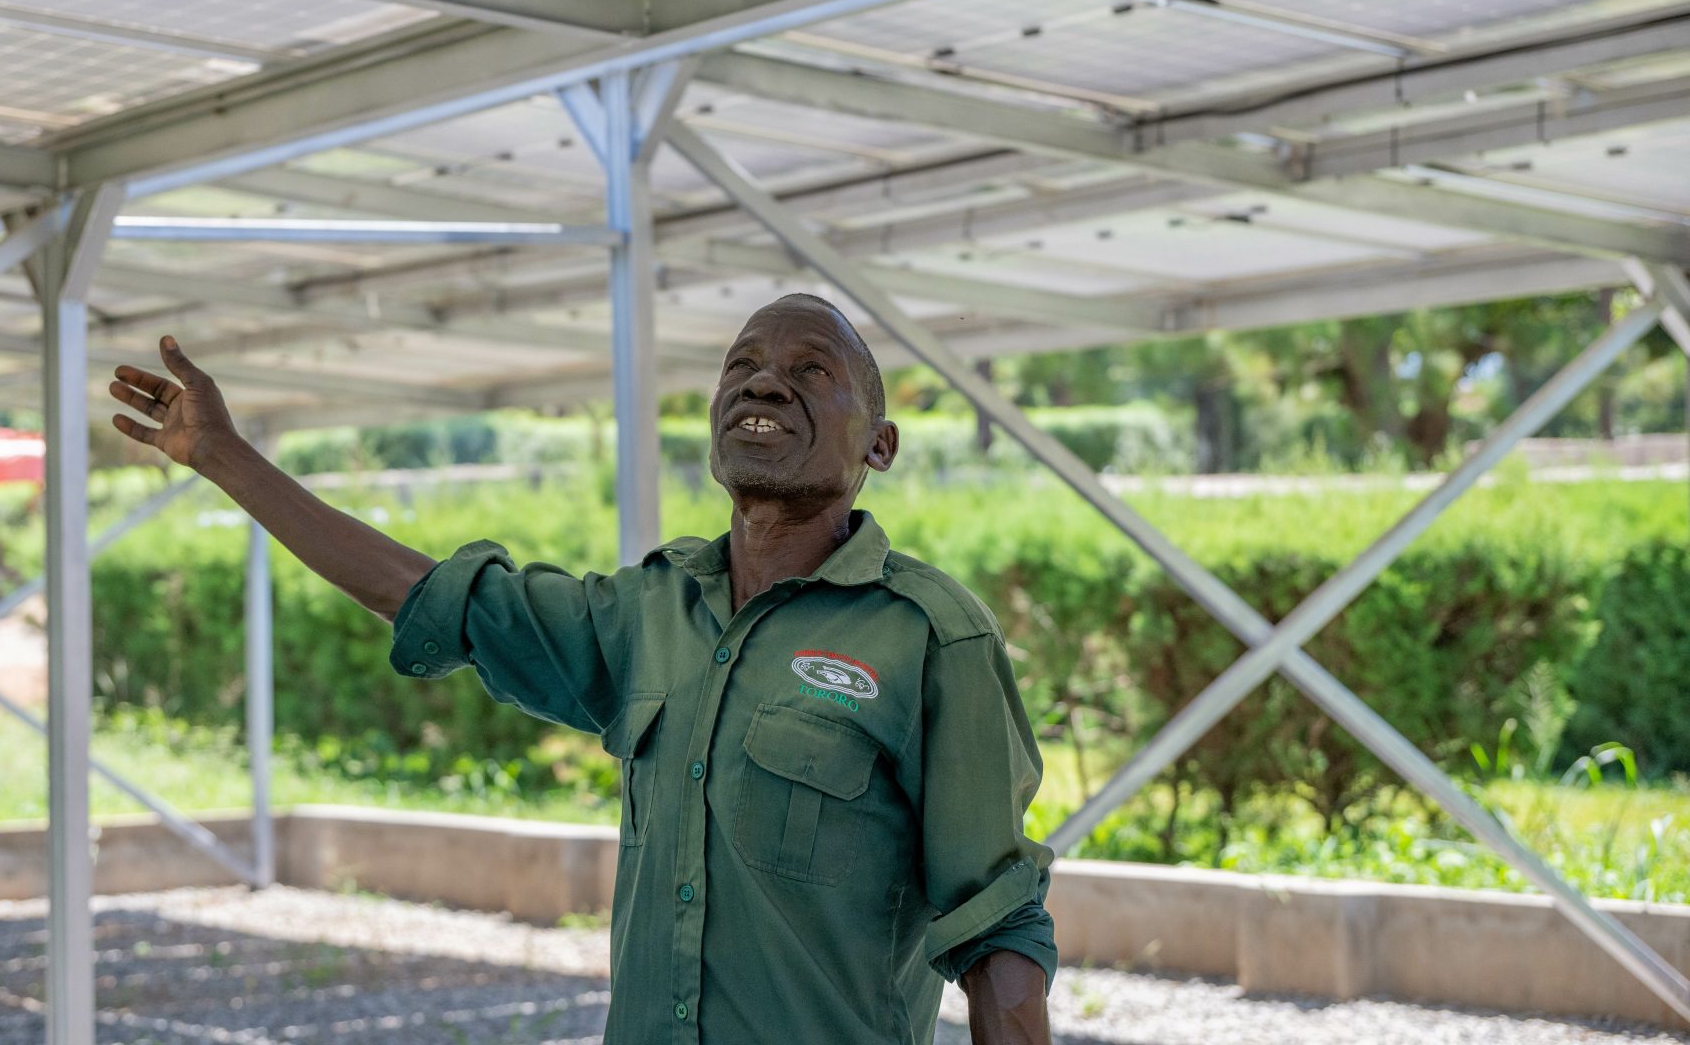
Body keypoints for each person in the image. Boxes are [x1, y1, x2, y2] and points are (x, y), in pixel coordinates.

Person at [109, 293, 1057, 1044]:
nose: (765, 386)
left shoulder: (931, 638)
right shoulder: (647, 614)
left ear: (878, 446)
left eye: (812, 371)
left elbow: (998, 934)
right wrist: (226, 459)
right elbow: (424, 594)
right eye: (743, 367)